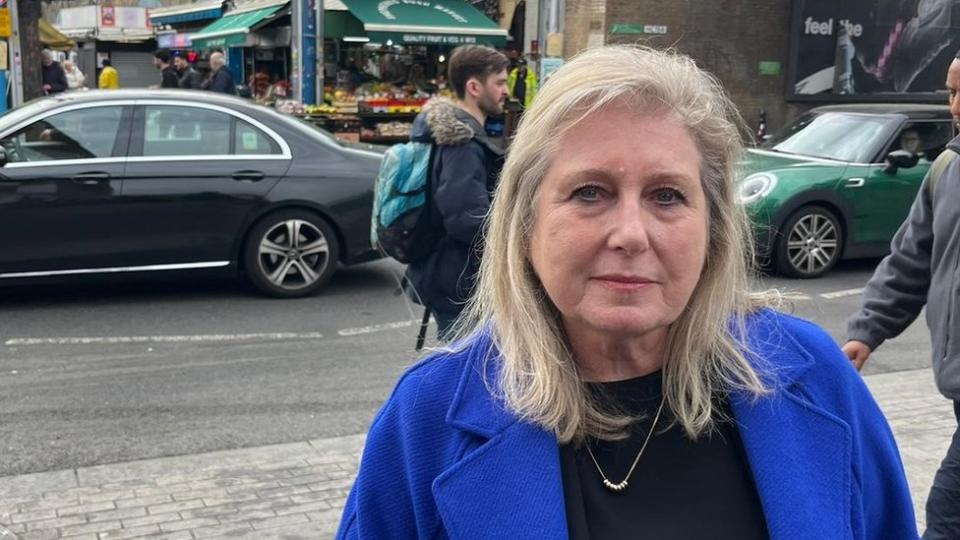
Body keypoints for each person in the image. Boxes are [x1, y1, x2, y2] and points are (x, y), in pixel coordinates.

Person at [338, 45, 918, 539]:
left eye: (668, 196)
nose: (631, 235)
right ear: (525, 223)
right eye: (590, 192)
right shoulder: (428, 419)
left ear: (713, 230)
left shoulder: (813, 376)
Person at [844, 50, 960, 540]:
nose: (955, 105)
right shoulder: (947, 169)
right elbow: (910, 260)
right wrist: (867, 331)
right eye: (952, 91)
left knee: (946, 518)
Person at [404, 45, 508, 338]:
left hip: (448, 272)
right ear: (474, 87)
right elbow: (466, 218)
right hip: (458, 280)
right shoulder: (462, 144)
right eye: (499, 82)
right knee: (467, 363)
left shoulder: (456, 135)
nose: (505, 90)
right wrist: (513, 238)